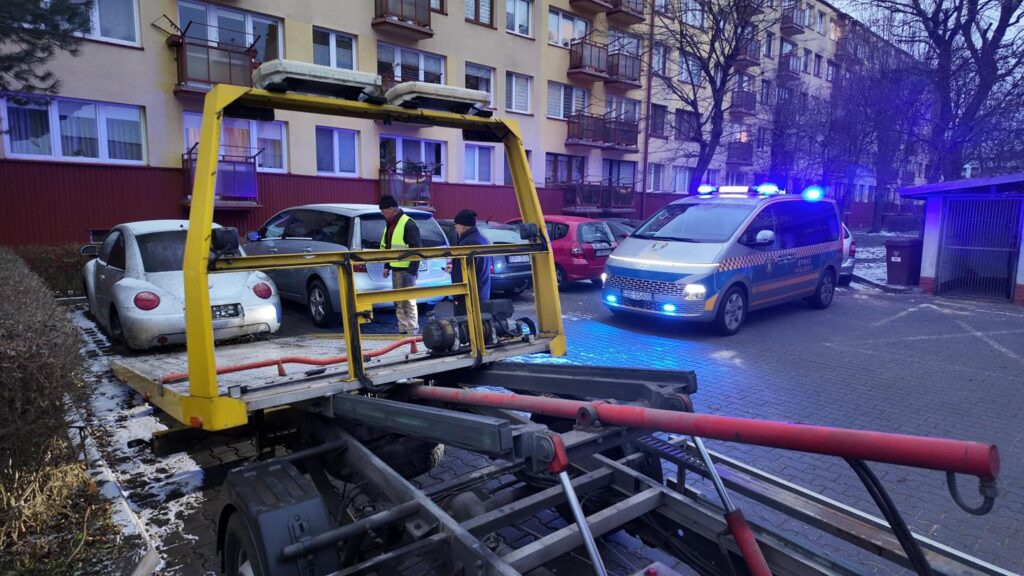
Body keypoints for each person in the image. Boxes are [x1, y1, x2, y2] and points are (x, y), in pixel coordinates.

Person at [378, 195, 422, 335]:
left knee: (408, 301)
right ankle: (403, 329)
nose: (382, 214)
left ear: (392, 209)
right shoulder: (391, 224)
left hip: (407, 270)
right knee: (398, 301)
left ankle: (412, 331)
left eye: (384, 211)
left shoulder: (408, 224)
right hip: (396, 268)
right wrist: (387, 265)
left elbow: (417, 249)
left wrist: (412, 271)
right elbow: (388, 247)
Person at [446, 209, 492, 316]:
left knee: (465, 325)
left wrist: (456, 296)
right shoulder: (483, 240)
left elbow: (460, 275)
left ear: (462, 226)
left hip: (468, 298)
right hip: (483, 294)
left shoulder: (466, 244)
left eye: (456, 226)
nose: (455, 229)